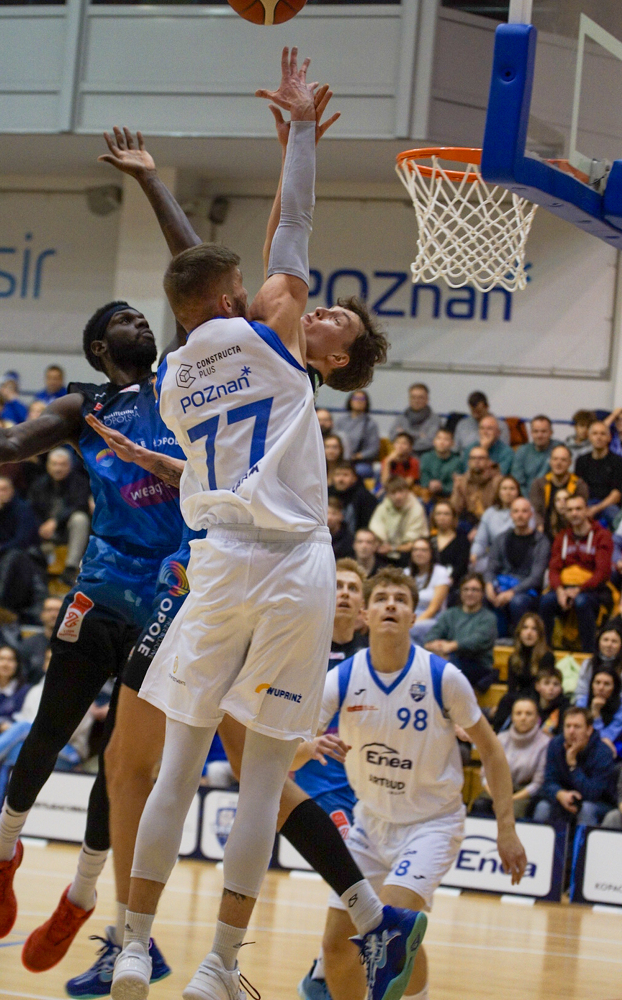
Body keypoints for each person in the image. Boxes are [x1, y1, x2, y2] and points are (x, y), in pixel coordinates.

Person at [113, 52, 396, 1000]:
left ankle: (132, 946)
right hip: (287, 567)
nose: (324, 307)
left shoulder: (174, 373)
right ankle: (219, 967)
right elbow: (293, 232)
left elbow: (254, 257)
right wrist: (302, 133)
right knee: (262, 779)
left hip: (217, 563)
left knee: (178, 769)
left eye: (337, 317)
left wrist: (290, 147)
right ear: (239, 299)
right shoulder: (274, 338)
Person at [0, 295, 194, 970]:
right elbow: (8, 444)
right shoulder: (85, 406)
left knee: (121, 760)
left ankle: (82, 895)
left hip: (172, 592)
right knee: (51, 726)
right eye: (124, 319)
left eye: (143, 316)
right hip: (104, 584)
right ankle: (1, 851)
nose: (141, 321)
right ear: (99, 347)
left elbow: (199, 289)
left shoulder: (184, 382)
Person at [304, 567, 526, 1000]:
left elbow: (492, 751)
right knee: (335, 947)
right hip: (370, 825)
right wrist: (308, 746)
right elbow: (293, 745)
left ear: (413, 616)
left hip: (431, 825)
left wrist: (506, 828)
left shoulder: (443, 677)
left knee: (389, 926)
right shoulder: (343, 678)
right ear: (366, 614)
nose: (391, 604)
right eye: (382, 598)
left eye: (401, 600)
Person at [295, 558, 368, 999]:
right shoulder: (304, 646)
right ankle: (323, 974)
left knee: (365, 883)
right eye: (337, 585)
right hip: (317, 785)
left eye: (353, 588)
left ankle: (325, 971)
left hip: (367, 787)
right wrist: (304, 748)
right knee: (355, 876)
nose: (343, 593)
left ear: (364, 609)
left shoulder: (373, 660)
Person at [0, 649, 101, 771]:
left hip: (70, 751)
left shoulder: (79, 693)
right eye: (49, 659)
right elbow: (25, 721)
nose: (53, 663)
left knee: (23, 728)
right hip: (36, 744)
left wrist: (34, 734)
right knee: (16, 750)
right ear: (44, 665)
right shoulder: (35, 691)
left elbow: (65, 734)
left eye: (59, 660)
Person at [539, 494, 613, 653]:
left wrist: (579, 589)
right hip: (565, 588)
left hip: (592, 590)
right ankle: (545, 651)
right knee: (546, 601)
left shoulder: (602, 535)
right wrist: (559, 591)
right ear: (565, 513)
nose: (574, 513)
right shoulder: (562, 537)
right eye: (570, 510)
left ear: (586, 510)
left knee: (581, 602)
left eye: (578, 509)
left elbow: (602, 572)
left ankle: (588, 653)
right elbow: (554, 569)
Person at [533, 707, 616, 826]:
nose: (571, 731)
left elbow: (593, 793)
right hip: (564, 798)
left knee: (586, 808)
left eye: (577, 727)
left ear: (589, 730)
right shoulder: (555, 744)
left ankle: (582, 839)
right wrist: (560, 794)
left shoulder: (603, 752)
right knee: (543, 807)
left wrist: (573, 767)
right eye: (568, 726)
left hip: (598, 803)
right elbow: (548, 781)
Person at [484, 497, 551, 637]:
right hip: (502, 585)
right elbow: (491, 567)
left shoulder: (541, 542)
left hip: (528, 591)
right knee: (484, 597)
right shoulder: (501, 539)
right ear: (511, 514)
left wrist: (512, 592)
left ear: (531, 514)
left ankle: (519, 640)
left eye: (524, 511)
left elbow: (536, 577)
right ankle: (496, 640)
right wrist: (489, 585)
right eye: (516, 511)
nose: (520, 515)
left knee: (517, 601)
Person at [472, 697, 550, 818]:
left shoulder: (545, 743)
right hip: (497, 790)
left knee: (512, 811)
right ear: (512, 717)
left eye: (528, 714)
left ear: (537, 718)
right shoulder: (501, 738)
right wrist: (496, 797)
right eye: (518, 713)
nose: (523, 718)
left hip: (524, 794)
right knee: (480, 805)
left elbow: (538, 783)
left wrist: (510, 799)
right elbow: (485, 774)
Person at [27, 447, 91, 587]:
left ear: (70, 465)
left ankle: (70, 568)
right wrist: (41, 526)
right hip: (43, 533)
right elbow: (31, 510)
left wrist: (56, 521)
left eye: (62, 464)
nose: (58, 468)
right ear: (48, 465)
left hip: (68, 531)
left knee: (80, 518)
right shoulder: (38, 484)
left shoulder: (80, 482)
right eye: (54, 464)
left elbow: (81, 505)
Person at [424, 573, 498, 691]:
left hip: (478, 665)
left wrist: (452, 646)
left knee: (448, 664)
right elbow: (432, 634)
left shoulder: (488, 618)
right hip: (451, 659)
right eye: (466, 589)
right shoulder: (450, 614)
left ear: (482, 593)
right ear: (460, 592)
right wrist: (435, 645)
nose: (469, 593)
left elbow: (477, 641)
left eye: (475, 590)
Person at [491, 614, 555, 732]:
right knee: (506, 701)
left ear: (540, 634)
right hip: (519, 697)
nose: (529, 633)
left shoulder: (547, 657)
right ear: (519, 632)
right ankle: (498, 736)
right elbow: (511, 688)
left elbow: (543, 688)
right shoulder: (514, 658)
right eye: (525, 628)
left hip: (538, 699)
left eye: (534, 629)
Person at [528, 444, 588, 537]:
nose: (558, 463)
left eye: (563, 460)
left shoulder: (579, 485)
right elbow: (536, 511)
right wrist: (540, 529)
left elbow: (581, 512)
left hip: (572, 532)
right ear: (550, 461)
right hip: (544, 532)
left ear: (570, 463)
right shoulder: (538, 484)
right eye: (555, 459)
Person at [368, 476, 428, 560]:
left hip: (410, 555)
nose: (398, 496)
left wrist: (393, 548)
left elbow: (412, 543)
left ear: (407, 491)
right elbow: (376, 533)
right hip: (385, 552)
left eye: (401, 491)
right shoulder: (382, 508)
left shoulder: (417, 509)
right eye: (393, 493)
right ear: (387, 494)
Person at [575, 421, 622, 527]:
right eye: (595, 433)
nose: (599, 437)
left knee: (617, 520)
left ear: (609, 438)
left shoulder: (618, 462)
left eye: (602, 434)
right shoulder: (581, 461)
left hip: (609, 505)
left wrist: (596, 509)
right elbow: (578, 490)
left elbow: (616, 495)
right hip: (586, 503)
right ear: (589, 437)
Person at [469, 474, 520, 572]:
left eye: (512, 489)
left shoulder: (526, 510)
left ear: (518, 492)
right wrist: (474, 554)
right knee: (474, 566)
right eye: (504, 489)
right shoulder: (490, 513)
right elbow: (480, 541)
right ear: (499, 492)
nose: (508, 492)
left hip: (517, 558)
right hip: (494, 557)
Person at [404, 537, 451, 644]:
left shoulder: (440, 572)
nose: (419, 553)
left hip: (433, 619)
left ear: (431, 553)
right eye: (415, 550)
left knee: (406, 631)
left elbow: (433, 609)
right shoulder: (405, 573)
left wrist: (410, 624)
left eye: (423, 550)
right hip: (409, 617)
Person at [450, 447, 503, 536]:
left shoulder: (498, 481)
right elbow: (455, 509)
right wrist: (456, 489)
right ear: (468, 462)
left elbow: (502, 509)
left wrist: (480, 528)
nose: (476, 461)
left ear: (488, 461)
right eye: (473, 458)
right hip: (469, 524)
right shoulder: (462, 481)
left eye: (481, 458)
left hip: (494, 522)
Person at [573, 623, 622, 708]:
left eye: (614, 641)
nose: (609, 645)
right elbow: (581, 692)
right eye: (605, 640)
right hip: (589, 706)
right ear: (599, 642)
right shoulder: (588, 664)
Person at [18, 596, 64, 685]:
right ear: (41, 614)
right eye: (49, 610)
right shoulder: (28, 644)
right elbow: (21, 677)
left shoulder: (74, 645)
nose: (53, 615)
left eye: (58, 610)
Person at [334, 390, 380, 478]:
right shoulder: (341, 421)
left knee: (359, 471)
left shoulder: (370, 424)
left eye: (362, 399)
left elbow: (373, 449)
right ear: (350, 401)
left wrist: (358, 456)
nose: (359, 401)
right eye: (356, 398)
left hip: (360, 462)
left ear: (366, 403)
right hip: (340, 459)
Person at [429, 499, 470, 596]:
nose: (442, 517)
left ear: (453, 517)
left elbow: (461, 566)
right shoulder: (429, 540)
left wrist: (447, 581)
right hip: (430, 583)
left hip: (453, 585)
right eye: (438, 514)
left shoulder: (462, 540)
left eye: (446, 514)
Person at [511, 415, 560, 496]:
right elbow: (517, 482)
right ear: (531, 433)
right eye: (536, 431)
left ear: (551, 433)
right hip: (526, 497)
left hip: (553, 497)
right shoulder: (522, 451)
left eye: (543, 431)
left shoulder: (558, 449)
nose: (539, 435)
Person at [389, 383, 441, 454]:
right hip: (402, 455)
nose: (416, 401)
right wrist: (419, 435)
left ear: (427, 399)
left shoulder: (435, 420)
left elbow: (430, 442)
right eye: (413, 397)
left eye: (420, 397)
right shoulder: (401, 417)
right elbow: (392, 436)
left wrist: (405, 435)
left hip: (425, 456)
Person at [328, 461, 377, 535]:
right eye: (337, 475)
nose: (341, 479)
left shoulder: (365, 497)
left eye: (345, 475)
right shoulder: (327, 493)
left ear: (354, 478)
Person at [584, 669, 622, 757]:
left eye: (607, 684)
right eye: (597, 683)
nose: (601, 688)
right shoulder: (582, 702)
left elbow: (606, 739)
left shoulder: (620, 708)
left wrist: (596, 714)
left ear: (614, 688)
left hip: (612, 752)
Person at [418, 427, 462, 501]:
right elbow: (423, 478)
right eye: (439, 438)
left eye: (446, 439)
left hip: (448, 497)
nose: (442, 442)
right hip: (428, 494)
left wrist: (442, 487)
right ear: (434, 441)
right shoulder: (425, 457)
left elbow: (456, 484)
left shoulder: (457, 461)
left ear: (452, 443)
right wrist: (429, 483)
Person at [534, 667, 570, 736]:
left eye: (556, 684)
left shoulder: (566, 709)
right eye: (546, 683)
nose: (551, 688)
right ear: (537, 686)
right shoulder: (530, 705)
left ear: (561, 688)